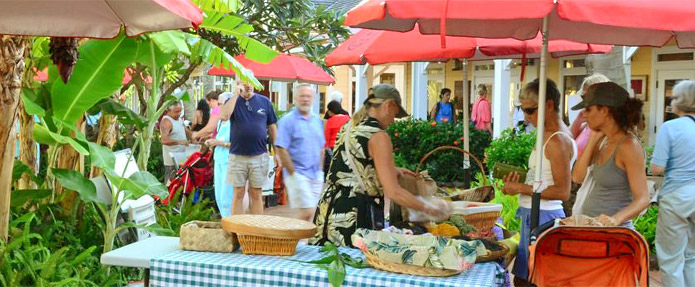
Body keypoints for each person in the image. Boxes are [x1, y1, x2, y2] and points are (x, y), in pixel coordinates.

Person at [309, 84, 448, 247]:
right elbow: (394, 192)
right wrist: (429, 208)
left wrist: (392, 170)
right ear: (389, 105)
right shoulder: (378, 136)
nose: (392, 121)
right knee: (356, 267)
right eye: (395, 115)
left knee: (330, 265)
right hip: (356, 214)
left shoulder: (349, 127)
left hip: (329, 210)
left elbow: (351, 164)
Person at [502, 79, 577, 287]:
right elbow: (543, 177)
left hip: (543, 215)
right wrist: (520, 181)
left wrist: (520, 188)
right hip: (534, 212)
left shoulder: (557, 140)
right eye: (523, 110)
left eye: (530, 110)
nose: (526, 116)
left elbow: (563, 191)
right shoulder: (546, 134)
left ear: (549, 105)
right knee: (524, 278)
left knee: (529, 280)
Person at [571, 82, 649, 228]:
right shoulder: (603, 141)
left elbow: (643, 199)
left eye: (588, 109)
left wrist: (616, 219)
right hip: (592, 229)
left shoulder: (628, 146)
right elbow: (577, 177)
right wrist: (593, 139)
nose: (584, 114)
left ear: (604, 110)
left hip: (614, 235)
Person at [650, 80, 695, 287]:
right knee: (692, 256)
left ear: (679, 101)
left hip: (677, 195)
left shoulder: (670, 127)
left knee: (670, 259)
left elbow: (657, 169)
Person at [220, 81, 278, 215]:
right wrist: (235, 95)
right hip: (237, 156)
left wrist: (277, 152)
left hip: (259, 156)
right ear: (238, 84)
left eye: (251, 81)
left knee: (257, 193)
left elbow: (272, 127)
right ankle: (236, 231)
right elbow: (223, 116)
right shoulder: (232, 101)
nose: (248, 85)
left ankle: (256, 230)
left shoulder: (265, 102)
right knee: (238, 193)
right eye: (245, 82)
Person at [275, 84, 326, 222]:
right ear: (295, 98)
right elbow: (281, 147)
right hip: (298, 173)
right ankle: (292, 241)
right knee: (307, 210)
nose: (305, 99)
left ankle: (301, 242)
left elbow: (321, 146)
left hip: (315, 174)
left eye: (308, 96)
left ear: (313, 99)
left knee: (313, 212)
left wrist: (320, 171)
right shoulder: (287, 121)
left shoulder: (316, 120)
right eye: (302, 96)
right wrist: (292, 172)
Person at [205, 92, 248, 217]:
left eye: (221, 104)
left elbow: (237, 143)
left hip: (230, 161)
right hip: (219, 159)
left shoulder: (235, 122)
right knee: (219, 194)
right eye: (218, 104)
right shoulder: (220, 122)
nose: (218, 107)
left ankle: (231, 222)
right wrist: (212, 142)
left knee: (227, 196)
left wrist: (218, 142)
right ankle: (225, 220)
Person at [569, 74, 611, 159]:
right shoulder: (587, 124)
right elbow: (566, 141)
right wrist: (578, 121)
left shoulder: (608, 126)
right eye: (583, 97)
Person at [160, 101, 191, 183]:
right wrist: (179, 142)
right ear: (168, 111)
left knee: (180, 180)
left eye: (180, 111)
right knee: (171, 180)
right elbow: (163, 140)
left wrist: (193, 139)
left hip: (181, 155)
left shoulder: (179, 119)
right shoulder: (166, 122)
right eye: (176, 111)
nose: (179, 113)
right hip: (171, 158)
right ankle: (167, 195)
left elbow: (186, 130)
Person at [324, 101, 350, 177]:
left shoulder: (331, 121)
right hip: (346, 146)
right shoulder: (348, 118)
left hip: (333, 148)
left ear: (331, 111)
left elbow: (326, 138)